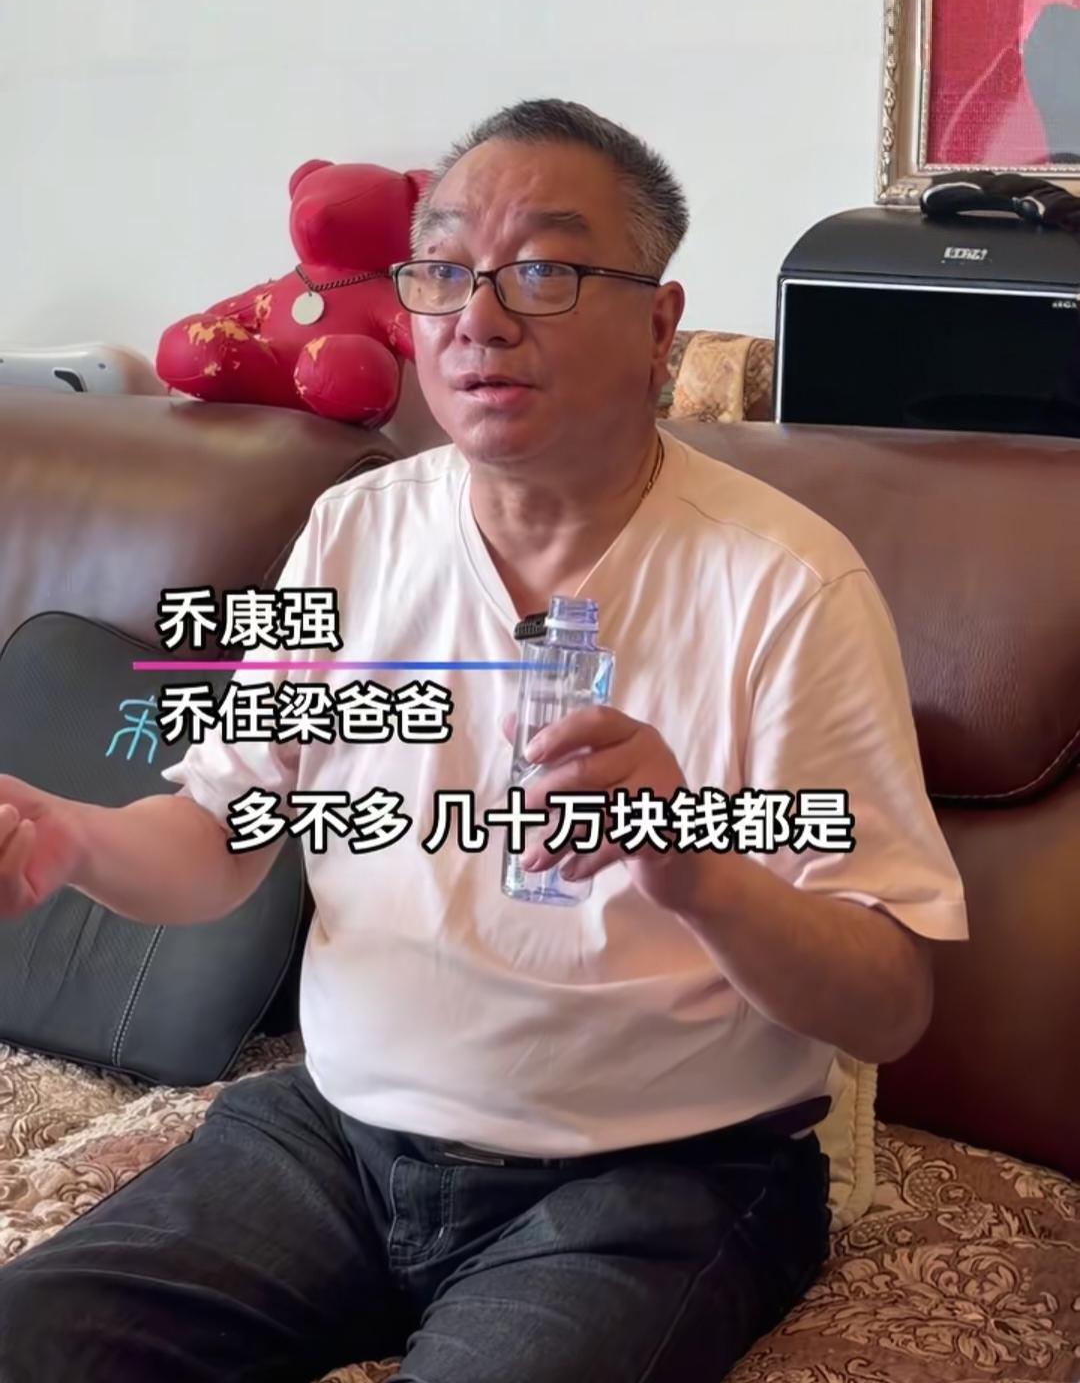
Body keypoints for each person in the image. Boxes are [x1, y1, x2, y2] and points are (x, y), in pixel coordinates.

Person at [0, 99, 968, 1383]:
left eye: (545, 271)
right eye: (444, 269)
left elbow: (890, 1002)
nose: (480, 316)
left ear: (660, 327)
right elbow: (220, 837)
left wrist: (692, 867)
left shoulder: (786, 585)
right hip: (338, 1139)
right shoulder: (354, 533)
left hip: (654, 1177)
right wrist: (70, 837)